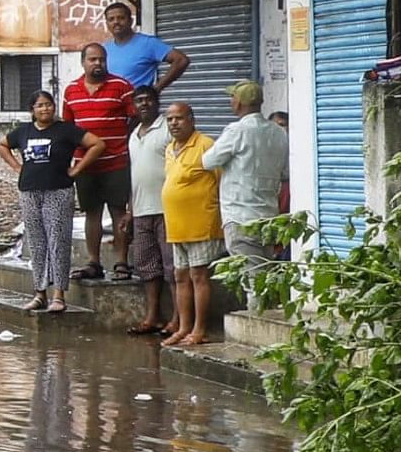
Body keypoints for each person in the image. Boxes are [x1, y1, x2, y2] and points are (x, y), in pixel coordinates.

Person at [0, 91, 90, 313]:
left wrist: (77, 168)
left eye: (48, 105)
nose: (45, 109)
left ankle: (58, 295)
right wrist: (17, 167)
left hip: (58, 190)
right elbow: (2, 145)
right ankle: (40, 293)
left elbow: (96, 144)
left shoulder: (65, 130)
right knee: (37, 243)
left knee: (58, 241)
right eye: (40, 105)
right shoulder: (24, 131)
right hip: (30, 191)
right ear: (32, 110)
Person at [60, 41, 137, 281]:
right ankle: (93, 262)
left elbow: (134, 118)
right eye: (92, 59)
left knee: (118, 212)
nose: (98, 63)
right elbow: (68, 129)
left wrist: (123, 143)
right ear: (83, 62)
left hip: (116, 162)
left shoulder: (121, 86)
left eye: (101, 59)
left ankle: (121, 262)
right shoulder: (71, 91)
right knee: (92, 214)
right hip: (85, 164)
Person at [158, 98, 224, 345]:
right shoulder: (169, 148)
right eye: (170, 119)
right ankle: (184, 328)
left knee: (199, 277)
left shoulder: (206, 145)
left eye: (179, 118)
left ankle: (199, 330)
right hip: (176, 226)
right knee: (180, 276)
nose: (174, 123)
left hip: (201, 224)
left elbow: (220, 181)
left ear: (191, 120)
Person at [205, 78, 292, 253]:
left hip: (240, 218)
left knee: (249, 275)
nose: (231, 102)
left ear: (238, 103)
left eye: (232, 98)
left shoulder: (236, 131)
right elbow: (284, 172)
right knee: (263, 271)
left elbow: (208, 161)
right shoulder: (278, 132)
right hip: (268, 218)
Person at [124, 84, 175, 336]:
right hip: (141, 210)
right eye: (139, 101)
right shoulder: (134, 134)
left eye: (148, 100)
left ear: (157, 102)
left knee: (172, 266)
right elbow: (135, 175)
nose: (143, 104)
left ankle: (178, 318)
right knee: (147, 266)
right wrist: (130, 209)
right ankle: (152, 316)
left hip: (167, 209)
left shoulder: (168, 128)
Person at [100, 0, 189, 102]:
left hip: (139, 108)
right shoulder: (104, 49)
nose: (116, 22)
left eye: (121, 18)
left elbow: (181, 60)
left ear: (131, 21)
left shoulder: (148, 43)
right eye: (111, 19)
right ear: (107, 24)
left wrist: (156, 89)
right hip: (113, 107)